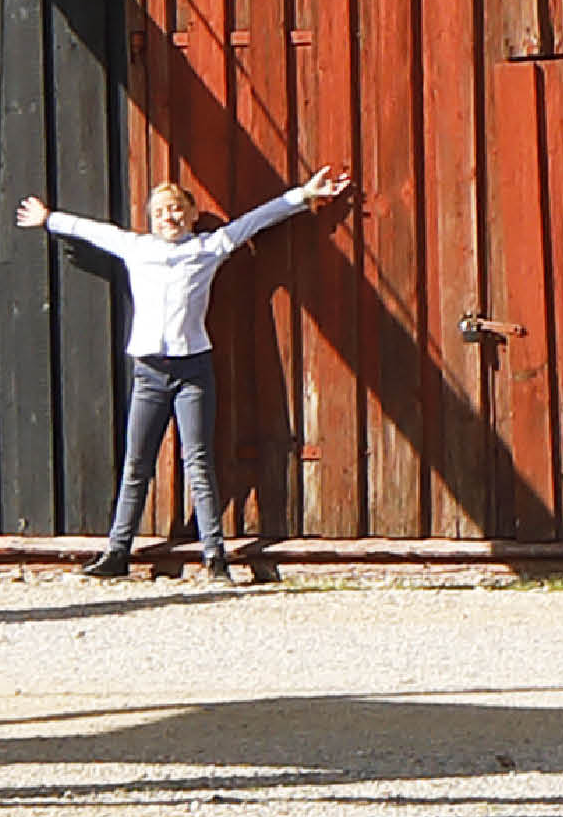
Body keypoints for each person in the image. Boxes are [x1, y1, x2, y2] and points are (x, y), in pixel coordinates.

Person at [24, 159, 354, 580]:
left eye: (177, 209)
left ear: (193, 214)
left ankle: (214, 555)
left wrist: (304, 195)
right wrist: (50, 219)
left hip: (193, 370)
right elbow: (94, 231)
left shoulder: (207, 248)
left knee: (198, 460)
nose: (170, 217)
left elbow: (256, 220)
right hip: (148, 370)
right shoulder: (136, 248)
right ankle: (117, 551)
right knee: (136, 462)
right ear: (150, 219)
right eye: (161, 212)